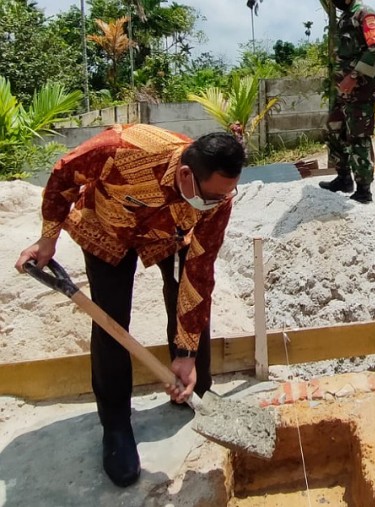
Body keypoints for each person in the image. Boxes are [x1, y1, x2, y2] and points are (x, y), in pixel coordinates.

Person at [15, 124, 246, 487]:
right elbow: (63, 176)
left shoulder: (218, 198)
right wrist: (48, 240)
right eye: (213, 197)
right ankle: (116, 424)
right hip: (108, 225)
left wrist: (186, 352)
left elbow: (199, 272)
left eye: (225, 196)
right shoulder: (121, 148)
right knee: (110, 321)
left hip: (170, 232)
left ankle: (193, 388)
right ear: (187, 175)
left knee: (188, 297)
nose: (219, 203)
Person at [318, 0, 375, 203]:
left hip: (360, 91)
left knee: (358, 137)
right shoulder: (345, 18)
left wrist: (354, 76)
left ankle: (364, 190)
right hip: (342, 92)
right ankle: (343, 178)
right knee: (334, 130)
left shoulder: (365, 14)